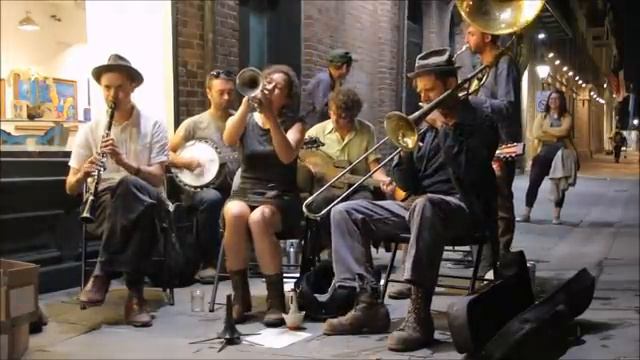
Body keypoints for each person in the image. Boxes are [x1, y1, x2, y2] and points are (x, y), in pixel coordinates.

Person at [321, 48, 499, 352]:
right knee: (345, 212)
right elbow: (408, 184)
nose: (425, 97)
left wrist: (444, 127)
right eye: (421, 91)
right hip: (418, 207)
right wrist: (406, 146)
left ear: (452, 83)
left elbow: (469, 173)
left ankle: (419, 315)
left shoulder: (480, 120)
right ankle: (368, 304)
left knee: (424, 205)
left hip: (464, 208)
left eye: (430, 90)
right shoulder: (425, 125)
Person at [66, 54, 169, 327]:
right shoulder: (90, 130)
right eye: (107, 88)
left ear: (133, 86)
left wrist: (125, 163)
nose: (113, 94)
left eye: (120, 87)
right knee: (135, 211)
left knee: (128, 187)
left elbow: (158, 179)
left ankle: (102, 271)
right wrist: (83, 173)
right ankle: (136, 297)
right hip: (104, 206)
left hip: (147, 196)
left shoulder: (154, 126)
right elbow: (70, 187)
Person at [222, 64, 305, 327]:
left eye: (278, 86)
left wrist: (270, 118)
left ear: (287, 98)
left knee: (259, 219)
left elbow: (286, 155)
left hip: (280, 195)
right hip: (246, 188)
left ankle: (275, 300)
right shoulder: (245, 117)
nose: (269, 87)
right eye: (267, 81)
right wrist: (246, 106)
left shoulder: (296, 124)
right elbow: (228, 138)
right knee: (234, 213)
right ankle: (240, 297)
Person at [168, 69, 239, 283]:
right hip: (200, 188)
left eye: (230, 92)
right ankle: (209, 262)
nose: (226, 98)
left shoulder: (240, 121)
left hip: (235, 185)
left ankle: (242, 261)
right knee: (212, 199)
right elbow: (166, 153)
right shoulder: (194, 124)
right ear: (208, 93)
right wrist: (186, 162)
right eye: (221, 92)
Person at [303, 87, 395, 250]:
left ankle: (359, 254)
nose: (335, 119)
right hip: (326, 187)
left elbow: (373, 165)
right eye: (332, 113)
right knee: (319, 205)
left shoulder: (366, 131)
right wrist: (312, 165)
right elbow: (301, 155)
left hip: (356, 188)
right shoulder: (317, 133)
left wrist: (383, 180)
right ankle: (329, 252)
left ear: (353, 116)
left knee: (362, 205)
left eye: (342, 117)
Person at [465, 24, 521, 274]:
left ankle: (501, 257)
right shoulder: (481, 67)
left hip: (502, 142)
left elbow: (507, 106)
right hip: (481, 142)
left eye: (471, 33)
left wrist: (471, 101)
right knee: (479, 200)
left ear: (487, 37)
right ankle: (485, 259)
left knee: (500, 201)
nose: (467, 38)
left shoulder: (504, 63)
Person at [517, 89, 575, 225]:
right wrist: (556, 137)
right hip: (543, 154)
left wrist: (547, 130)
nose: (553, 101)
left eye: (556, 99)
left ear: (561, 101)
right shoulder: (542, 116)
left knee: (560, 185)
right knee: (533, 183)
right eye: (551, 99)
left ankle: (556, 216)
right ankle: (526, 213)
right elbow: (536, 133)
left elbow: (565, 130)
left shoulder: (566, 116)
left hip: (560, 155)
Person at [300, 49, 355, 128]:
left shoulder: (335, 81)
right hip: (311, 127)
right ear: (344, 67)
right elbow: (322, 109)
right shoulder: (324, 80)